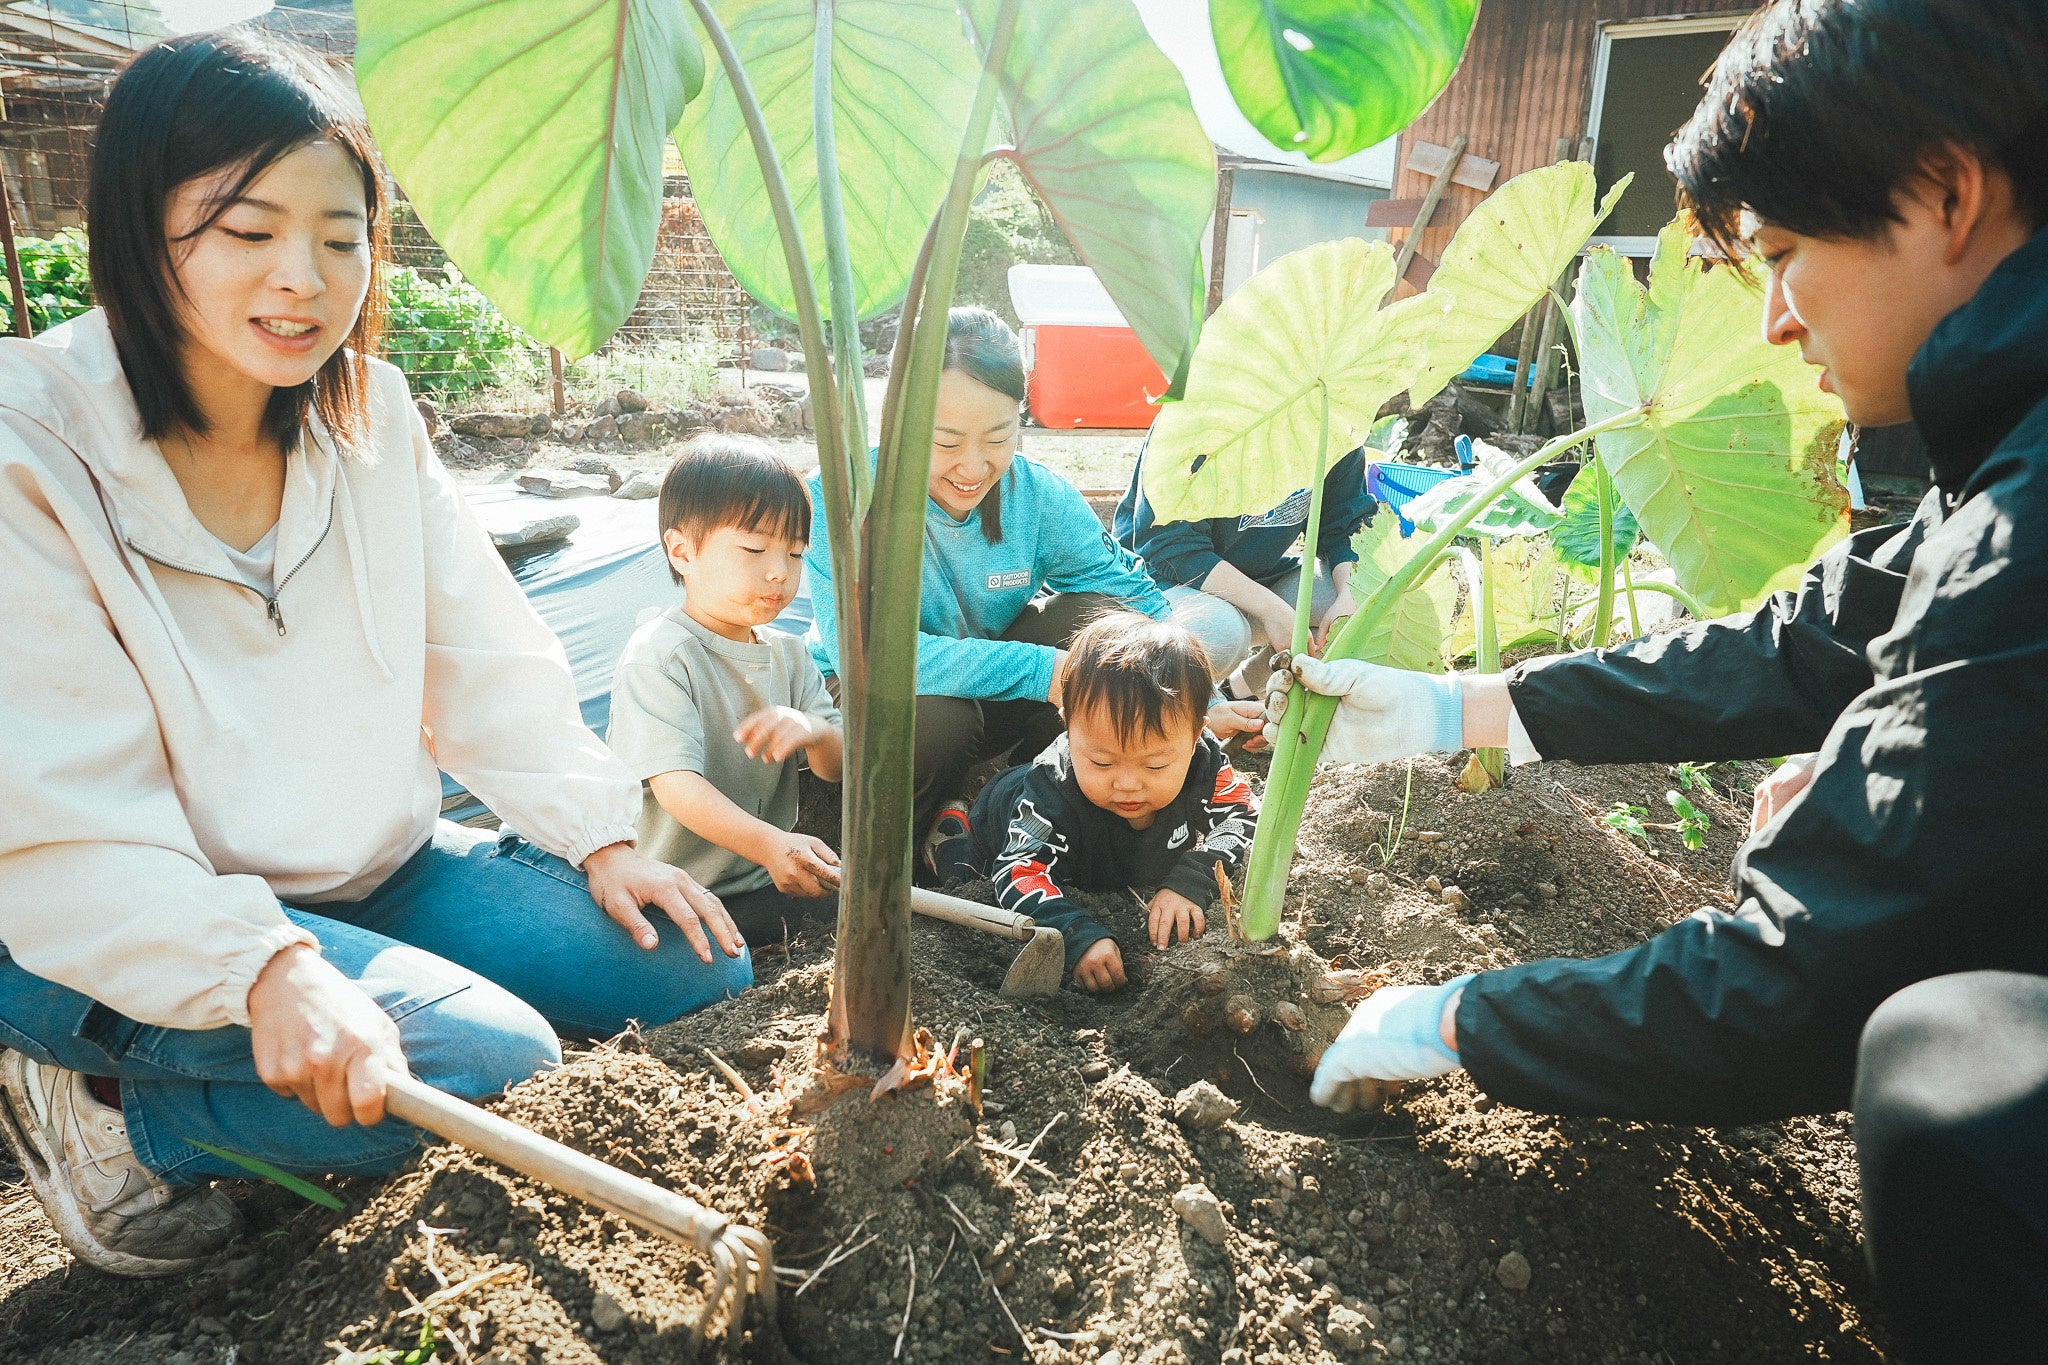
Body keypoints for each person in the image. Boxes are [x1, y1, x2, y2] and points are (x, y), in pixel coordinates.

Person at [1264, 1, 2047, 1357]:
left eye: (1790, 255)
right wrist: (1473, 706)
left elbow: (1794, 988)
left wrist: (1456, 1014)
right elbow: (1825, 632)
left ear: (1947, 192)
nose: (1780, 322)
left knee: (1945, 1056)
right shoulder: (2014, 441)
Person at [0, 32, 748, 1278]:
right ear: (140, 226)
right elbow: (61, 805)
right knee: (496, 1063)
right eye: (246, 232)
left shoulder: (371, 414)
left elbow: (483, 653)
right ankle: (118, 1119)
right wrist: (262, 964)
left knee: (694, 970)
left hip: (373, 872)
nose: (303, 278)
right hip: (107, 916)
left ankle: (318, 1041)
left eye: (341, 239)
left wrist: (599, 835)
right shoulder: (31, 447)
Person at [803, 306, 1262, 845]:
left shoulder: (1039, 497)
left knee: (1095, 620)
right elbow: (867, 658)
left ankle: (1015, 792)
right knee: (934, 722)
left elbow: (1136, 599)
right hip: (880, 697)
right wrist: (1046, 670)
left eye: (997, 440)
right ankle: (910, 837)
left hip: (991, 691)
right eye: (945, 443)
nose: (972, 468)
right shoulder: (843, 495)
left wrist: (1199, 706)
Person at [931, 613, 1256, 992]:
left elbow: (1244, 815)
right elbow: (1018, 870)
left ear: (1197, 734)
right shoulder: (1050, 793)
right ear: (1068, 727)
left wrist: (1191, 881)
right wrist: (1074, 934)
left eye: (1156, 764)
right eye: (1102, 761)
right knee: (965, 880)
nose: (1128, 784)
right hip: (1001, 820)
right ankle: (949, 834)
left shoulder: (1205, 761)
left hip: (1102, 859)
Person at [606, 437, 844, 947]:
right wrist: (772, 845)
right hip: (676, 892)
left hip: (765, 876)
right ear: (682, 551)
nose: (780, 570)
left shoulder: (791, 654)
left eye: (795, 552)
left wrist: (817, 731)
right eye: (755, 548)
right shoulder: (662, 655)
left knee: (853, 915)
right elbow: (677, 787)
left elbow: (838, 767)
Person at [1114, 437, 1374, 690]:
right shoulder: (1199, 415)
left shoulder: (1332, 418)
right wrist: (1271, 610)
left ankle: (1237, 691)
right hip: (1159, 581)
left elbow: (1346, 527)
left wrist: (1349, 598)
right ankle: (1194, 718)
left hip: (1254, 577)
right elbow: (1170, 544)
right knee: (1220, 634)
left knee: (1352, 605)